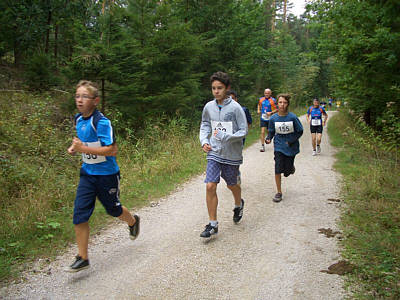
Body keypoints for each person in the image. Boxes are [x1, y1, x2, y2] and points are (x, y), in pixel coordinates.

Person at [66, 80, 140, 272]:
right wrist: (75, 148)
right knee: (79, 213)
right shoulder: (78, 119)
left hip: (107, 175)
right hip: (87, 174)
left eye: (85, 96)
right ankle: (83, 257)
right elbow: (83, 142)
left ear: (95, 100)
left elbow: (112, 150)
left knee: (113, 210)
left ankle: (132, 221)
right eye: (77, 96)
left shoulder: (102, 122)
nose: (80, 100)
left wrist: (84, 148)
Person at [199, 72, 248, 238]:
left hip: (231, 154)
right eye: (213, 88)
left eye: (219, 88)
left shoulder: (235, 108)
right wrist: (204, 140)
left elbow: (243, 130)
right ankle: (213, 224)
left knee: (231, 184)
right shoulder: (208, 107)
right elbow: (205, 124)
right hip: (214, 152)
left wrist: (229, 137)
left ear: (227, 88)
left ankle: (238, 203)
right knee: (210, 185)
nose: (216, 91)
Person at [265, 94, 303, 203]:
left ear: (288, 104)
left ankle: (290, 168)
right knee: (277, 168)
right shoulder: (273, 118)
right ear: (277, 104)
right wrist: (268, 138)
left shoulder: (292, 117)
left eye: (284, 102)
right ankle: (279, 192)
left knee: (286, 172)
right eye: (280, 102)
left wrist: (291, 140)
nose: (282, 105)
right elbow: (271, 131)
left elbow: (300, 131)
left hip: (291, 146)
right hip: (279, 145)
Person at [229, 90, 252, 185]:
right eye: (228, 98)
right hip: (226, 139)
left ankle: (237, 174)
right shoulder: (222, 111)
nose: (231, 100)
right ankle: (231, 174)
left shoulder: (244, 110)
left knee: (235, 157)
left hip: (239, 139)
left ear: (236, 99)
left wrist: (243, 133)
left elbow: (249, 123)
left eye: (233, 98)